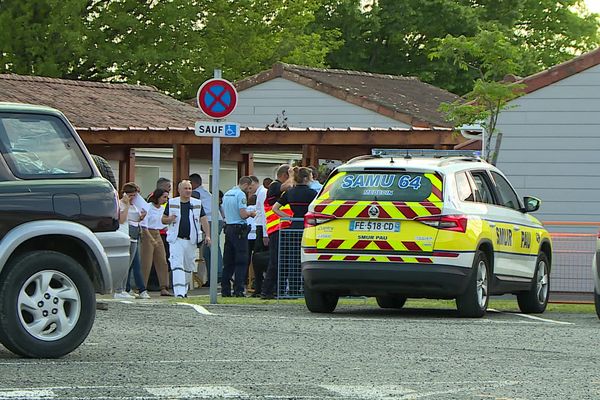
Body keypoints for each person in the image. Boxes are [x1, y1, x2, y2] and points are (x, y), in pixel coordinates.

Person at [272, 167, 318, 296]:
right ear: (306, 178)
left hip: (293, 227)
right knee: (305, 259)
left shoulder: (289, 193)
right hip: (307, 228)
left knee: (292, 259)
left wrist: (289, 217)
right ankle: (303, 288)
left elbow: (275, 208)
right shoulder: (312, 193)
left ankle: (291, 289)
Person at [162, 180, 211, 298]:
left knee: (189, 266)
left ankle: (184, 291)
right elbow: (163, 219)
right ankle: (178, 292)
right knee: (177, 264)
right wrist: (169, 219)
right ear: (179, 190)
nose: (188, 191)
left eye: (189, 188)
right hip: (176, 239)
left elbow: (203, 219)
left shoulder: (197, 203)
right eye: (186, 188)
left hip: (191, 240)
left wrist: (208, 235)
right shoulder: (172, 202)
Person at [221, 176, 259, 297]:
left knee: (228, 262)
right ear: (246, 185)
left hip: (229, 228)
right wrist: (251, 213)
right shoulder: (240, 195)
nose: (249, 191)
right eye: (249, 189)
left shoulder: (227, 194)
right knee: (241, 261)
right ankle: (238, 290)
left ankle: (225, 290)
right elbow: (243, 214)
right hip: (239, 230)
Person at [260, 164, 294, 299]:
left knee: (283, 261)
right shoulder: (275, 185)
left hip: (283, 228)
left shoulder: (281, 189)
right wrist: (292, 175)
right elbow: (287, 186)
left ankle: (277, 290)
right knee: (275, 261)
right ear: (284, 175)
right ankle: (266, 291)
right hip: (276, 229)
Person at [118, 182, 150, 299]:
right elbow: (122, 219)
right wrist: (126, 204)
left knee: (132, 263)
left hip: (135, 235)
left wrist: (142, 217)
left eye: (135, 196)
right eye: (131, 195)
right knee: (127, 263)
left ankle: (126, 288)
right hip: (126, 234)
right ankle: (121, 289)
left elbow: (135, 219)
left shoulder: (134, 206)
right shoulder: (121, 204)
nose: (133, 198)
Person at [190, 173, 223, 285]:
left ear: (194, 183)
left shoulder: (196, 193)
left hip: (211, 219)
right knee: (208, 251)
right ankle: (212, 277)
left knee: (212, 247)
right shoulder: (205, 192)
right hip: (214, 219)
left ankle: (218, 274)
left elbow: (191, 200)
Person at [140, 188, 172, 296]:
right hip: (147, 233)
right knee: (146, 262)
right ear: (157, 197)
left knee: (162, 260)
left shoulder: (163, 209)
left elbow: (164, 224)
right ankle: (142, 287)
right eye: (164, 197)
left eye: (166, 197)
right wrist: (150, 239)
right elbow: (144, 225)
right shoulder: (148, 207)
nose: (165, 199)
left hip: (158, 233)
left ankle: (164, 286)